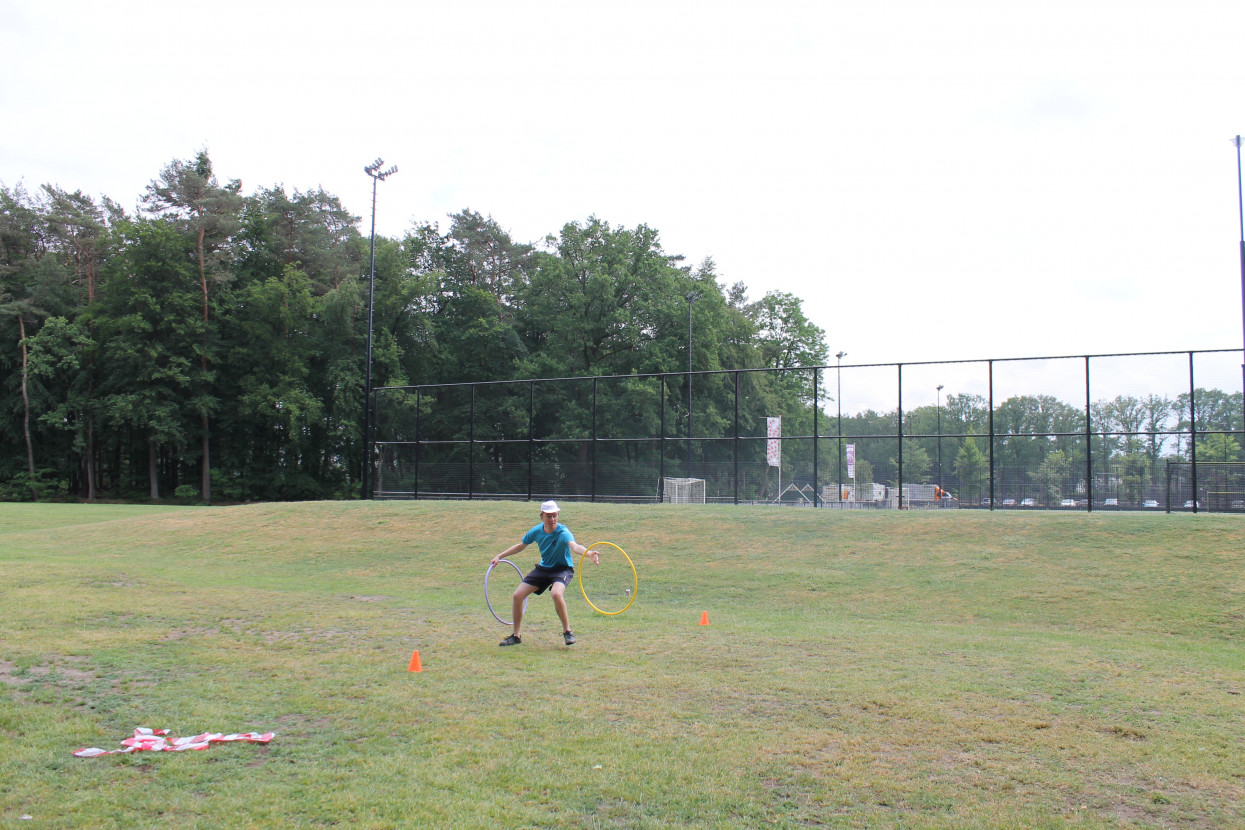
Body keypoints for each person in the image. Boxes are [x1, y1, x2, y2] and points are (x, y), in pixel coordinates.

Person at [491, 500, 598, 647]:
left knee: (556, 594)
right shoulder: (536, 531)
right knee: (517, 596)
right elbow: (520, 546)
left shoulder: (563, 532)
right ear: (542, 516)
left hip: (562, 569)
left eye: (554, 516)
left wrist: (589, 553)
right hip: (543, 569)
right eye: (548, 516)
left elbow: (575, 547)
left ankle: (568, 632)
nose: (552, 519)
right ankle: (516, 636)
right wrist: (499, 556)